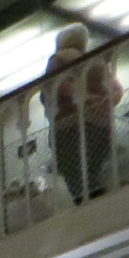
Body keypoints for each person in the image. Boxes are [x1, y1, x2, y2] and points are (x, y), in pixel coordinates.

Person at [47, 24, 120, 204]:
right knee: (92, 169)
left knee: (75, 174)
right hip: (102, 125)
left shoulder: (59, 59)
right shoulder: (98, 61)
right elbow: (116, 90)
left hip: (71, 125)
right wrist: (101, 102)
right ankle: (101, 200)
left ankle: (90, 204)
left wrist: (84, 100)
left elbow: (58, 87)